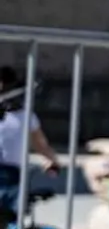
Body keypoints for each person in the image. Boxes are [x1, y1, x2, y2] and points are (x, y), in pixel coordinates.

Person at [0, 65, 65, 207]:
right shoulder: (24, 115)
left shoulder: (26, 116)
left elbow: (41, 145)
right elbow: (41, 145)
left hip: (11, 175)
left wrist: (52, 161)